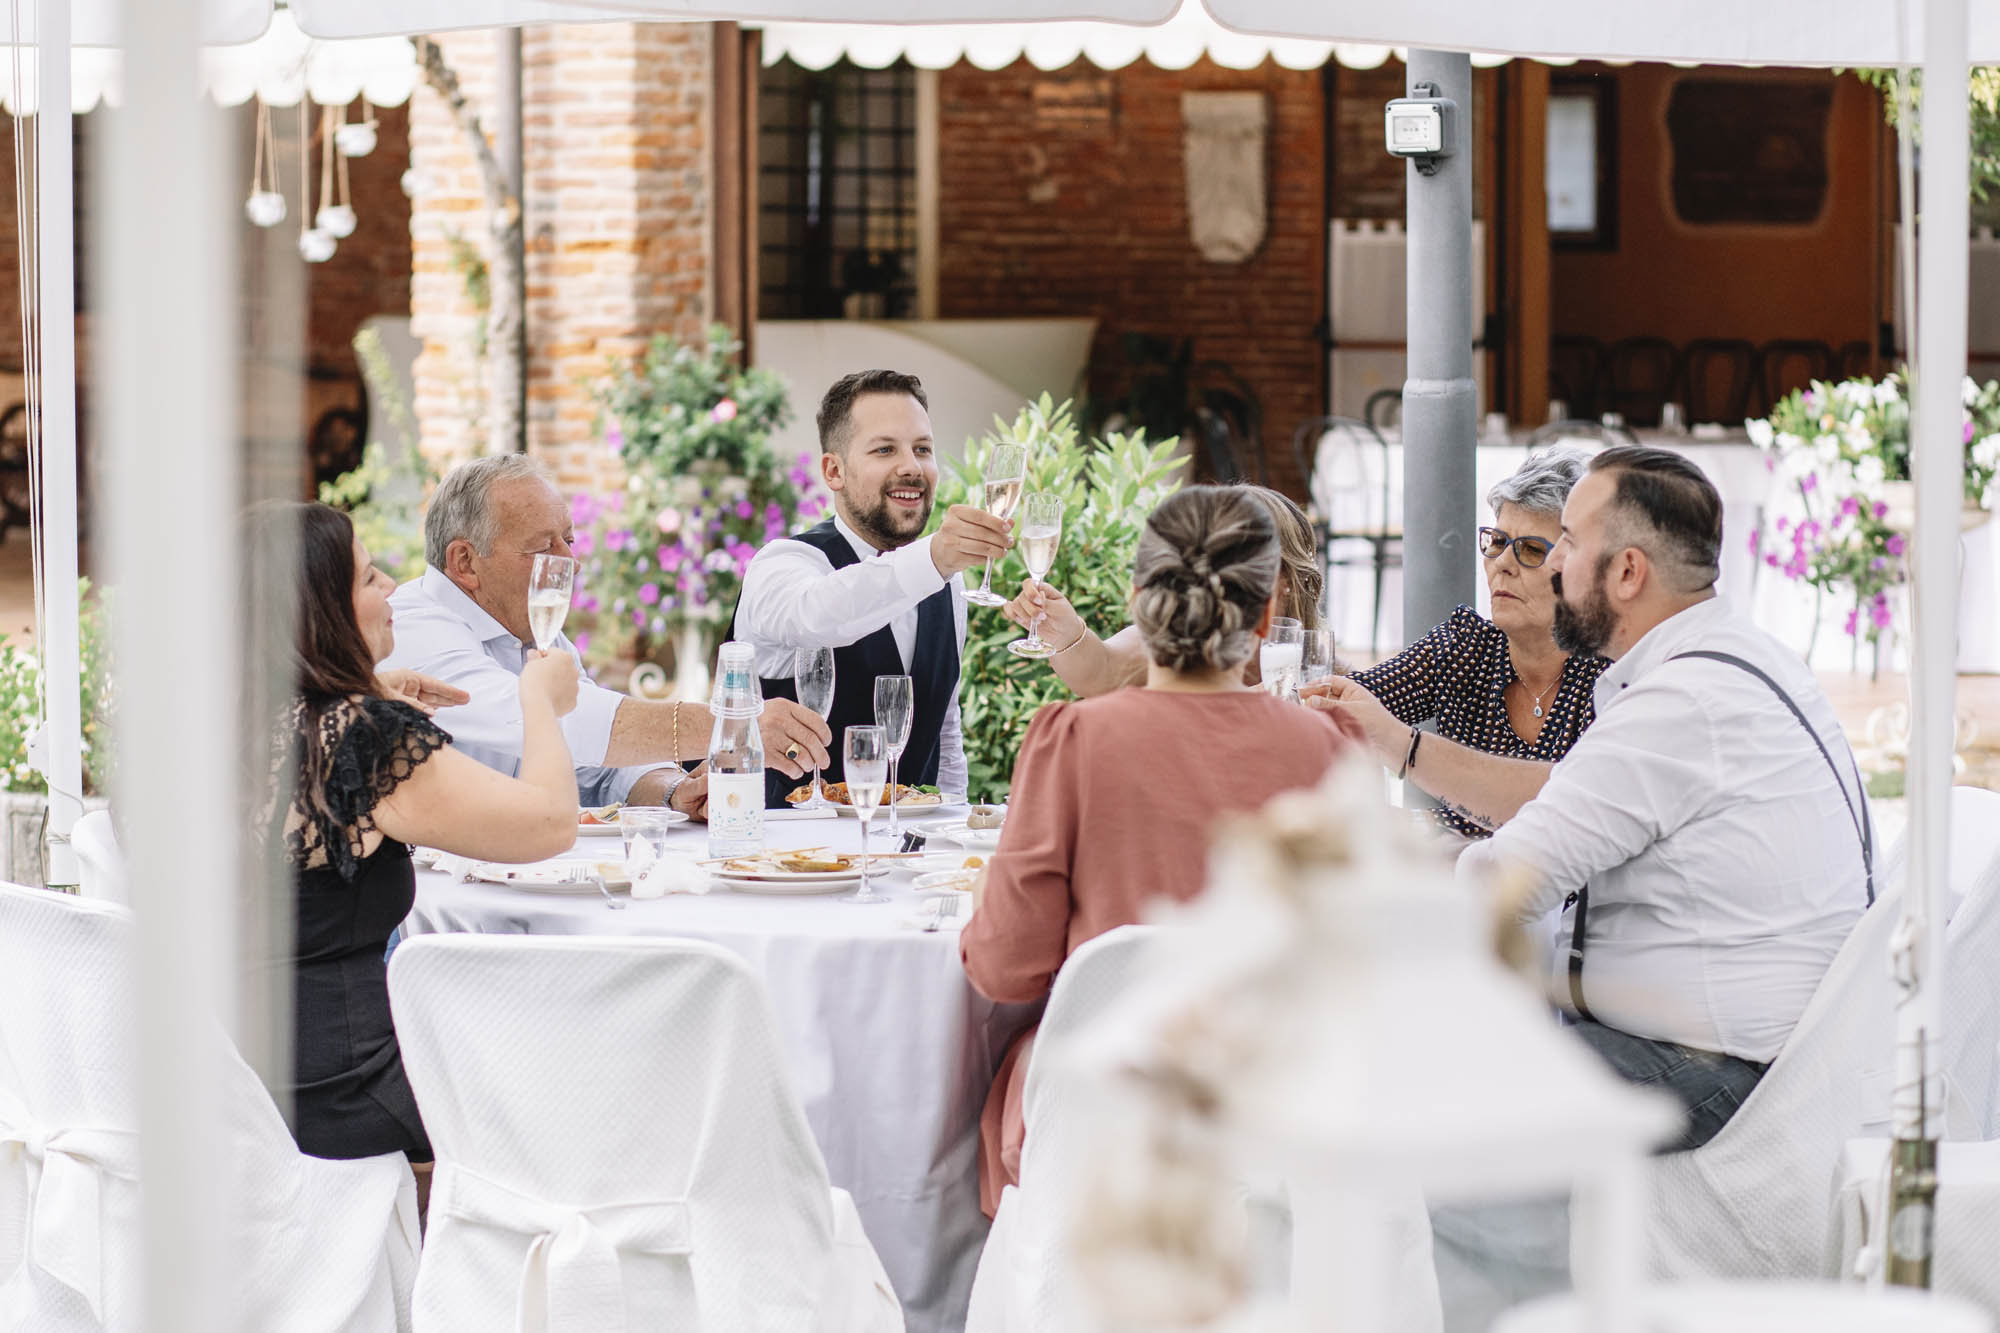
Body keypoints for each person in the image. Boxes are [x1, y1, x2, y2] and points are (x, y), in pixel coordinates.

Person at [1314, 445, 1872, 1141]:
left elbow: (1504, 881)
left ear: (1628, 572)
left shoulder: (1679, 704)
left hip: (1712, 1070)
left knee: (1400, 1067)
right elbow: (1565, 813)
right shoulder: (1734, 658)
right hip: (1746, 1044)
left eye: (1567, 543)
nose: (1549, 564)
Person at [958, 485, 1359, 1214]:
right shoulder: (1330, 751)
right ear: (1267, 616)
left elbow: (1003, 969)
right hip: (1272, 1128)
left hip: (1104, 1123)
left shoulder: (1073, 743)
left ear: (1138, 600)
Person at [250, 501, 583, 1165]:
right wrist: (539, 701)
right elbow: (548, 822)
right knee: (577, 1061)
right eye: (369, 578)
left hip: (237, 1085)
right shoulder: (358, 740)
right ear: (318, 610)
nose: (390, 590)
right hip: (344, 1095)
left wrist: (365, 688)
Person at [381, 455, 832, 819]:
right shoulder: (410, 628)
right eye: (543, 547)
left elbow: (593, 768)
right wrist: (731, 726)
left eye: (569, 541)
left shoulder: (532, 632)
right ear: (464, 562)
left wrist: (675, 790)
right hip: (428, 903)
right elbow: (553, 723)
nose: (570, 562)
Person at [728, 369, 1012, 804]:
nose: (912, 467)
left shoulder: (948, 585)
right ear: (834, 470)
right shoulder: (784, 564)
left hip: (911, 859)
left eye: (923, 449)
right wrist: (934, 558)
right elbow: (817, 616)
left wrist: (954, 827)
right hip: (789, 860)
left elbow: (945, 734)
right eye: (885, 450)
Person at [1332, 446, 1604, 840]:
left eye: (1530, 550)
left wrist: (1405, 750)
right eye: (1497, 541)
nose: (1502, 564)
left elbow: (1574, 810)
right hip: (1463, 890)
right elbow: (1353, 707)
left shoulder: (1610, 673)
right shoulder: (1466, 649)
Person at [999, 483, 1326, 697]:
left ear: (1286, 575)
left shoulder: (1318, 661)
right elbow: (1101, 673)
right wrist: (1066, 633)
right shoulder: (1182, 631)